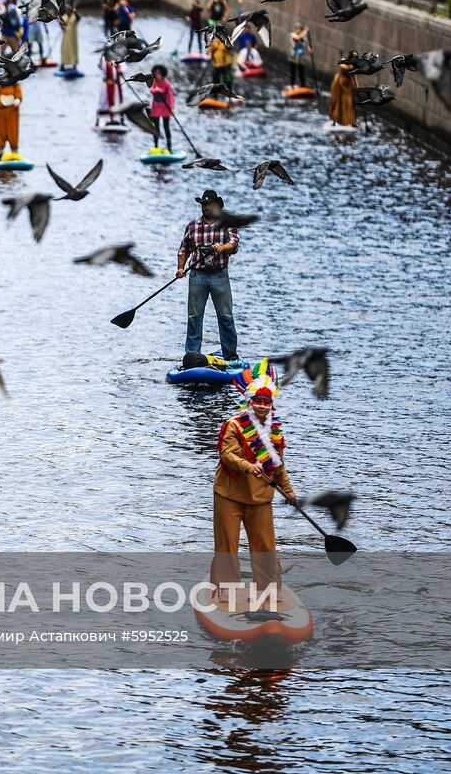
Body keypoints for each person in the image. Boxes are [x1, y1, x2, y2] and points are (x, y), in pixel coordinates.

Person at [211, 363, 297, 600]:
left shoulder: (275, 433)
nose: (261, 406)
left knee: (265, 547)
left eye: (266, 403)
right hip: (229, 496)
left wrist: (289, 492)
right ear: (249, 402)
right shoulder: (234, 426)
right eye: (257, 401)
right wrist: (249, 466)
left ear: (271, 406)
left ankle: (268, 589)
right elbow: (227, 455)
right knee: (228, 546)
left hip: (260, 499)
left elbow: (278, 467)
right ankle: (227, 588)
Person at [177, 190, 240, 360]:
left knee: (225, 316)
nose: (206, 207)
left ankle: (231, 356)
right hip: (197, 276)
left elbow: (234, 244)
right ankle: (192, 356)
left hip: (220, 275)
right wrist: (180, 268)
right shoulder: (193, 226)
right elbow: (184, 249)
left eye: (209, 204)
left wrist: (223, 247)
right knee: (194, 316)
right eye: (203, 204)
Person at [0, 70, 23, 157]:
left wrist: (18, 100)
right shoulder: (0, 87)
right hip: (1, 115)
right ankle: (0, 152)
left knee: (13, 133)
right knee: (1, 133)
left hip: (12, 116)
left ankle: (14, 151)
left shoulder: (16, 87)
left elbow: (19, 96)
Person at [147, 64, 176, 151]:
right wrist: (155, 90)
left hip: (165, 108)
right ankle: (156, 146)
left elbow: (170, 96)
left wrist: (172, 108)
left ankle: (169, 146)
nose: (157, 75)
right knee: (156, 127)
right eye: (156, 73)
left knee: (166, 127)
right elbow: (151, 89)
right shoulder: (154, 82)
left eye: (159, 73)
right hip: (156, 107)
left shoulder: (166, 83)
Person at [329, 51, 358, 127]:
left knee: (349, 103)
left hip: (348, 85)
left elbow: (354, 76)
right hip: (339, 84)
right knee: (338, 103)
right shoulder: (345, 62)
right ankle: (335, 120)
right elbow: (342, 64)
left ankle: (350, 121)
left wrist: (357, 86)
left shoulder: (354, 66)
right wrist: (349, 67)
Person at [96, 55, 122, 127]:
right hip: (106, 85)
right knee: (103, 102)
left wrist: (119, 70)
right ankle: (99, 120)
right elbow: (100, 66)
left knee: (116, 102)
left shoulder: (118, 58)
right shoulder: (104, 58)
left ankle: (114, 119)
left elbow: (121, 69)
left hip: (115, 85)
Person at [288, 22, 311, 87]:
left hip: (301, 58)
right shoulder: (292, 35)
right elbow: (298, 38)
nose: (297, 30)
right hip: (293, 57)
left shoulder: (304, 38)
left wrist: (310, 49)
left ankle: (303, 85)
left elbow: (307, 46)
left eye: (299, 29)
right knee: (293, 73)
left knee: (301, 73)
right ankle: (291, 85)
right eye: (296, 29)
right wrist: (306, 31)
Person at [59, 6, 79, 72]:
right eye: (67, 10)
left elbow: (79, 18)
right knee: (65, 50)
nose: (68, 11)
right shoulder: (64, 17)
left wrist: (76, 13)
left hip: (73, 37)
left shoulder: (75, 16)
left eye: (69, 10)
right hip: (66, 37)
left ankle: (74, 66)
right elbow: (60, 24)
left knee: (73, 50)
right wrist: (61, 25)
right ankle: (62, 66)